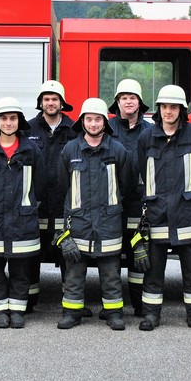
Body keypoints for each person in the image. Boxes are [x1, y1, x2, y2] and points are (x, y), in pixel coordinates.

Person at [137, 85, 191, 332]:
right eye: (164, 106)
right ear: (159, 108)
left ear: (182, 109)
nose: (168, 111)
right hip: (157, 212)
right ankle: (151, 315)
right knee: (154, 269)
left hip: (187, 212)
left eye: (173, 107)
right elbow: (141, 170)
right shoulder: (146, 137)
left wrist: (188, 193)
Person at [55, 98, 131, 330]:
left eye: (98, 119)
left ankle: (113, 312)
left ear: (104, 122)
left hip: (109, 221)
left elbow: (125, 185)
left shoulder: (117, 150)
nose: (94, 123)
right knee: (74, 273)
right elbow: (62, 185)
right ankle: (72, 312)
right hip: (78, 222)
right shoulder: (70, 150)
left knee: (111, 272)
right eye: (89, 119)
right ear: (82, 122)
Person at [0, 97, 43, 329]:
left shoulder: (31, 151)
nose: (9, 123)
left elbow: (41, 185)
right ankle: (0, 311)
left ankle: (17, 311)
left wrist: (28, 207)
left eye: (13, 118)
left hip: (23, 222)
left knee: (21, 270)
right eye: (4, 118)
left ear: (19, 121)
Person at [24, 80, 76, 312]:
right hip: (37, 204)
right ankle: (30, 299)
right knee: (32, 252)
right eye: (46, 99)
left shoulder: (75, 129)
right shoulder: (28, 129)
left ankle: (71, 300)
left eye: (54, 99)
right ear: (40, 103)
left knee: (68, 253)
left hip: (65, 203)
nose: (50, 103)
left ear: (62, 103)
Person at [108, 79, 151, 317]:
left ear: (139, 102)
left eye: (132, 97)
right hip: (113, 203)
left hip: (141, 203)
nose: (128, 101)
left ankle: (139, 306)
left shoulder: (150, 130)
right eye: (123, 98)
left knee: (139, 256)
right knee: (112, 257)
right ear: (117, 102)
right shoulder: (108, 128)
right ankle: (113, 307)